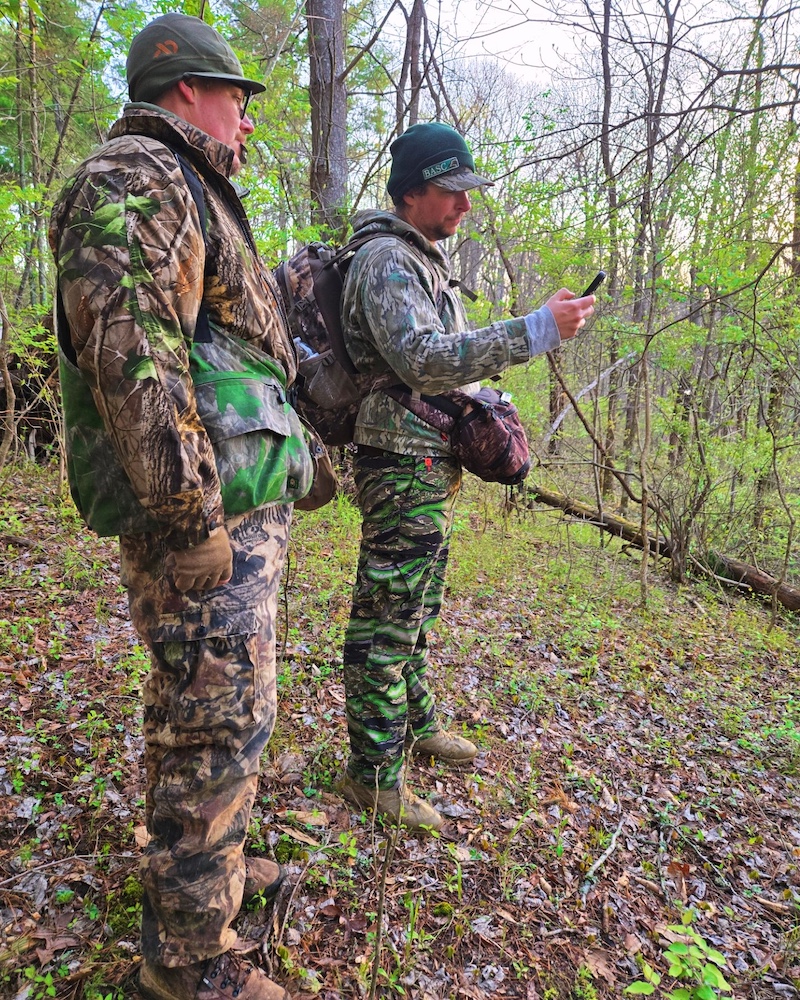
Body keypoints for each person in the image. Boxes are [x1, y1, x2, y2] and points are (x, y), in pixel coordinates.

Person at [49, 14, 294, 1000]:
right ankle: (189, 960)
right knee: (212, 716)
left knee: (211, 707)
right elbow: (132, 354)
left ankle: (209, 871)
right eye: (236, 96)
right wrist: (189, 516)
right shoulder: (135, 178)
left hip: (228, 515)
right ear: (188, 89)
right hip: (199, 522)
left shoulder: (187, 184)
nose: (244, 117)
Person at [338, 121, 595, 831]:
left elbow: (442, 361)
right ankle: (373, 774)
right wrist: (534, 329)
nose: (465, 206)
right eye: (452, 191)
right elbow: (423, 359)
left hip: (429, 459)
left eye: (468, 192)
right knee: (385, 624)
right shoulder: (386, 259)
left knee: (418, 614)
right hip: (398, 463)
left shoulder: (425, 263)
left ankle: (415, 725)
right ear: (413, 190)